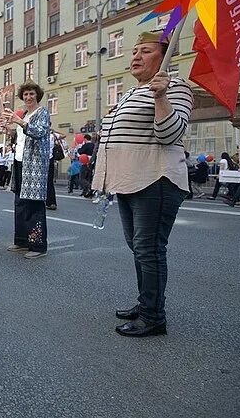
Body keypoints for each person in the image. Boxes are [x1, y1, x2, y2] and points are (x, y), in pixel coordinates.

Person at [92, 31, 193, 338]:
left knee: (149, 250)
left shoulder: (175, 87)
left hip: (155, 179)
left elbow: (170, 134)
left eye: (145, 51)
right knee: (138, 248)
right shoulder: (131, 92)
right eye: (134, 51)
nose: (135, 56)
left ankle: (153, 316)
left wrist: (161, 96)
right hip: (128, 179)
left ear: (163, 57)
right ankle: (146, 302)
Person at [2, 81, 51, 259]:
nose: (28, 97)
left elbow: (39, 132)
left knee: (34, 204)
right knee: (20, 203)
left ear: (37, 95)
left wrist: (19, 121)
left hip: (35, 165)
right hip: (20, 161)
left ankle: (38, 246)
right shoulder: (25, 114)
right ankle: (22, 240)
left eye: (31, 94)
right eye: (25, 94)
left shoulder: (42, 112)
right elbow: (21, 137)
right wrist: (10, 131)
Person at [46, 130, 66, 210]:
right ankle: (52, 202)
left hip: (42, 159)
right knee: (49, 181)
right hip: (50, 159)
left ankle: (45, 201)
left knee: (43, 181)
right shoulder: (53, 135)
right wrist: (55, 131)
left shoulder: (40, 133)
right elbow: (64, 135)